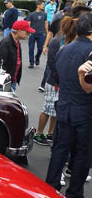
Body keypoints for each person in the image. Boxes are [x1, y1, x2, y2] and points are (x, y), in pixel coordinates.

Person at [44, 13, 92, 198]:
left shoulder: (65, 49)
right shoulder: (89, 52)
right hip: (85, 109)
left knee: (60, 149)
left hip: (64, 105)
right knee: (83, 152)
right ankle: (75, 192)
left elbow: (56, 75)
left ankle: (51, 186)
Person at [33, 16, 78, 146]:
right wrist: (61, 79)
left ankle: (50, 133)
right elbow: (51, 64)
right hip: (54, 82)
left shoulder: (69, 42)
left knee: (56, 111)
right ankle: (39, 133)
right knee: (48, 109)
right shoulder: (56, 41)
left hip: (62, 83)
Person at [0, 20, 33, 91]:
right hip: (5, 82)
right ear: (19, 31)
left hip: (12, 80)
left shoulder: (16, 42)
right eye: (27, 32)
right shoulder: (6, 43)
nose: (28, 34)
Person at [26, 0, 48, 68]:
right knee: (31, 48)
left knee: (40, 49)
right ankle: (31, 62)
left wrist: (47, 32)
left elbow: (46, 23)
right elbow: (28, 24)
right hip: (32, 34)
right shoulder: (31, 14)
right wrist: (28, 32)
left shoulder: (44, 14)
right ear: (38, 5)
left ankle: (37, 57)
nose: (43, 6)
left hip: (41, 34)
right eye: (42, 4)